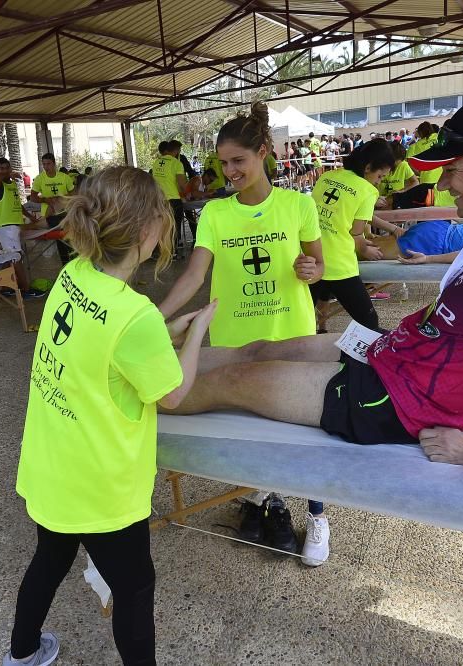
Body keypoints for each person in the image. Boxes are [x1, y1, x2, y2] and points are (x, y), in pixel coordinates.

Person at [164, 95, 463, 476]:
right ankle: (149, 367)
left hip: (401, 397)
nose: (443, 185)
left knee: (237, 381)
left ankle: (134, 400)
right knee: (260, 348)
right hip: (395, 351)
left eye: (452, 170)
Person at [5, 166, 215, 666]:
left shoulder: (72, 274)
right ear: (147, 231)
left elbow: (106, 350)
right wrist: (198, 331)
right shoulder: (135, 314)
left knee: (49, 562)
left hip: (51, 465)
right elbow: (173, 393)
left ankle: (23, 653)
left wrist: (165, 330)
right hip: (101, 483)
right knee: (136, 589)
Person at [158, 102, 325, 559]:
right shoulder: (215, 214)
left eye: (239, 161)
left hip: (290, 332)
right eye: (223, 163)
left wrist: (311, 269)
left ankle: (317, 513)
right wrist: (156, 316)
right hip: (235, 337)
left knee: (303, 431)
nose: (230, 171)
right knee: (248, 430)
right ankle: (265, 503)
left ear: (264, 153)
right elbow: (195, 275)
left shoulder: (297, 204)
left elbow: (317, 263)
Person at [311, 139, 394, 335]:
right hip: (339, 265)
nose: (378, 182)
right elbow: (355, 233)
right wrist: (366, 250)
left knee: (305, 319)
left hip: (311, 259)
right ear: (367, 168)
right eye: (379, 176)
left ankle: (313, 347)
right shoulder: (368, 191)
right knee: (369, 321)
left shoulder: (328, 176)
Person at [0, 158, 46, 300]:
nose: (6, 171)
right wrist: (7, 174)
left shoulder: (11, 186)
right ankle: (25, 290)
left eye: (8, 168)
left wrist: (30, 217)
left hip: (13, 226)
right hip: (5, 227)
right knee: (16, 256)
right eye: (2, 169)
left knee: (9, 258)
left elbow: (18, 205)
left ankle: (3, 287)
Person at [29, 152, 75, 265]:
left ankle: (73, 262)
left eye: (48, 164)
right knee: (60, 241)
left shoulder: (64, 177)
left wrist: (61, 199)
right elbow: (33, 197)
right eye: (43, 164)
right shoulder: (40, 179)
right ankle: (65, 263)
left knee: (69, 238)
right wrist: (45, 200)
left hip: (65, 213)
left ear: (54, 164)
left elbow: (74, 194)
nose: (46, 167)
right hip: (49, 214)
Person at [151, 141, 188, 249]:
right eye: (179, 151)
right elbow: (182, 184)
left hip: (159, 200)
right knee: (175, 225)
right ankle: (174, 249)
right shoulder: (176, 163)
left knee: (163, 225)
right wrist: (186, 193)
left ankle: (164, 249)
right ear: (176, 150)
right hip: (173, 199)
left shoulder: (156, 162)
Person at [376, 141, 420, 210]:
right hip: (379, 203)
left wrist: (402, 191)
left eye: (398, 164)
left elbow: (415, 182)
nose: (396, 166)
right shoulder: (378, 165)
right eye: (393, 163)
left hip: (396, 203)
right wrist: (375, 197)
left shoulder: (403, 165)